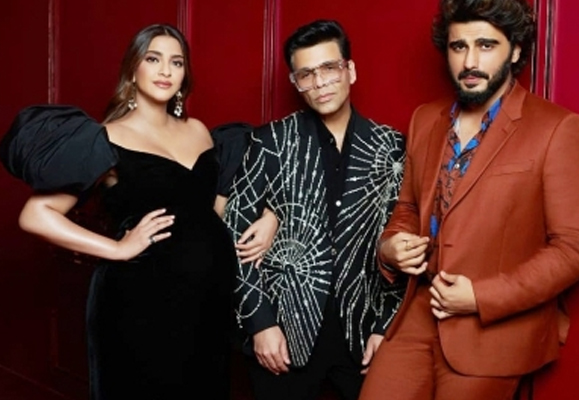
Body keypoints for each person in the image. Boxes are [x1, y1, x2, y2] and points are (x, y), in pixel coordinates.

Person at [0, 23, 275, 400]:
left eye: (176, 62)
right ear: (133, 69)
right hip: (139, 305)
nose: (166, 71)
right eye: (153, 59)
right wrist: (118, 248)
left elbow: (217, 209)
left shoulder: (199, 131)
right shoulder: (105, 139)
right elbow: (36, 214)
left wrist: (269, 218)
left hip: (208, 303)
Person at [358, 1, 579, 399]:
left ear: (515, 50)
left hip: (493, 331)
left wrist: (480, 297)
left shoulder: (557, 128)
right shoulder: (425, 119)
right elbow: (409, 207)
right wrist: (390, 247)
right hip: (419, 311)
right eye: (459, 47)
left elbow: (576, 246)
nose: (470, 61)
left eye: (486, 45)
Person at [224, 19, 407, 400]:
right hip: (283, 332)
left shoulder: (390, 146)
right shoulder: (270, 141)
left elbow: (403, 234)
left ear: (350, 70)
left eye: (329, 68)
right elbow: (233, 233)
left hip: (362, 332)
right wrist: (260, 323)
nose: (320, 82)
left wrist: (385, 326)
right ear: (295, 82)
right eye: (306, 74)